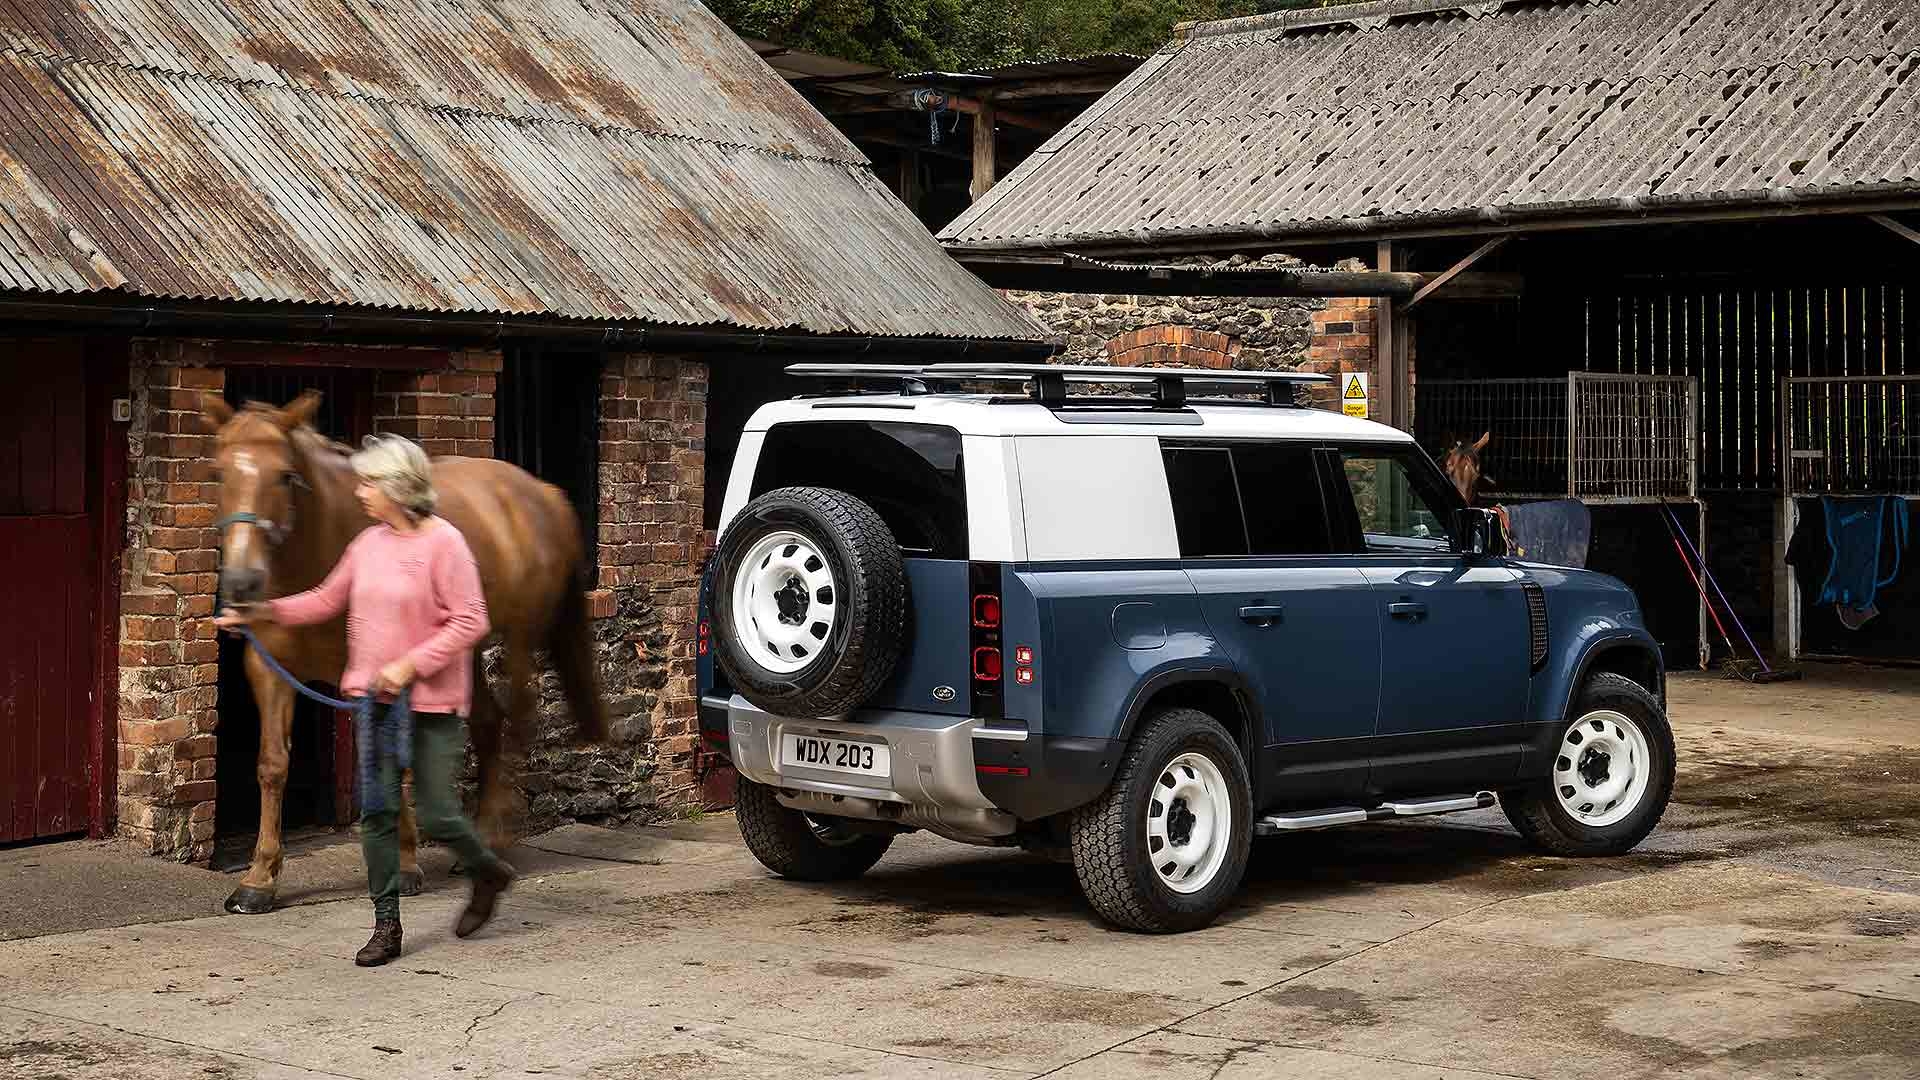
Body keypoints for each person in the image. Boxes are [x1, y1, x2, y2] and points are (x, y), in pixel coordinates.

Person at [215, 434, 513, 967]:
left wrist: (409, 665)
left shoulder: (445, 544)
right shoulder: (368, 544)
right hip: (374, 701)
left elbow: (473, 620)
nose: (360, 491)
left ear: (399, 487)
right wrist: (259, 614)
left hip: (431, 703)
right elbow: (327, 599)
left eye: (369, 482)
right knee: (377, 815)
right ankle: (386, 924)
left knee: (440, 815)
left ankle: (486, 872)